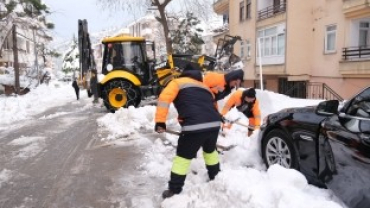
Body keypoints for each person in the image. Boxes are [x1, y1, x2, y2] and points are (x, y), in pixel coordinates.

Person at [155, 68, 222, 199]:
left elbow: (164, 98)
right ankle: (216, 177)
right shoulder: (206, 88)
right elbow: (211, 107)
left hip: (194, 126)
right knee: (210, 152)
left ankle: (174, 189)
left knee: (183, 158)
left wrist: (160, 121)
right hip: (214, 124)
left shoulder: (177, 82)